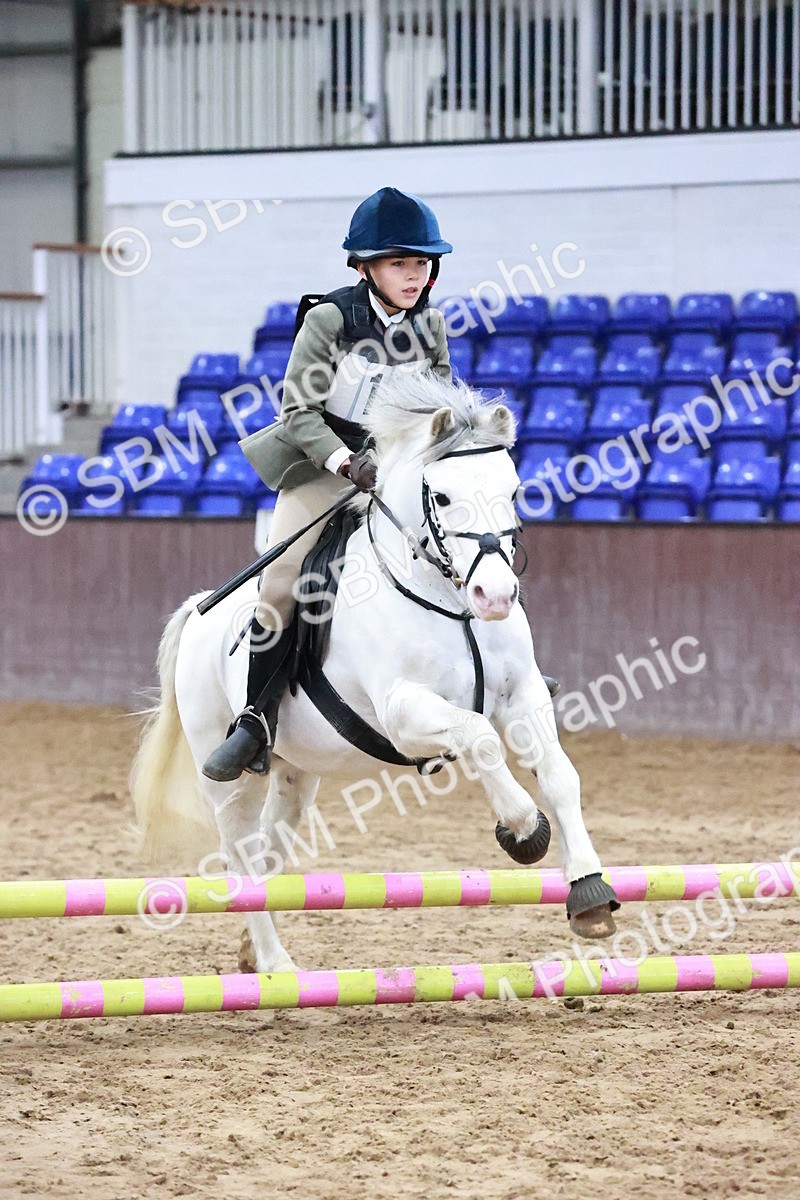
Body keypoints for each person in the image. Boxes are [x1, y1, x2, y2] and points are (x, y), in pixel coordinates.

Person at [202, 187, 454, 782]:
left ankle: (488, 680)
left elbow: (439, 409)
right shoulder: (330, 318)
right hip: (322, 466)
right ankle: (255, 721)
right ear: (365, 266)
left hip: (393, 473)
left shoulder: (432, 324)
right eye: (400, 263)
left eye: (421, 263)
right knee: (283, 581)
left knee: (459, 548)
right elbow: (297, 413)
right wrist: (346, 463)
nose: (414, 276)